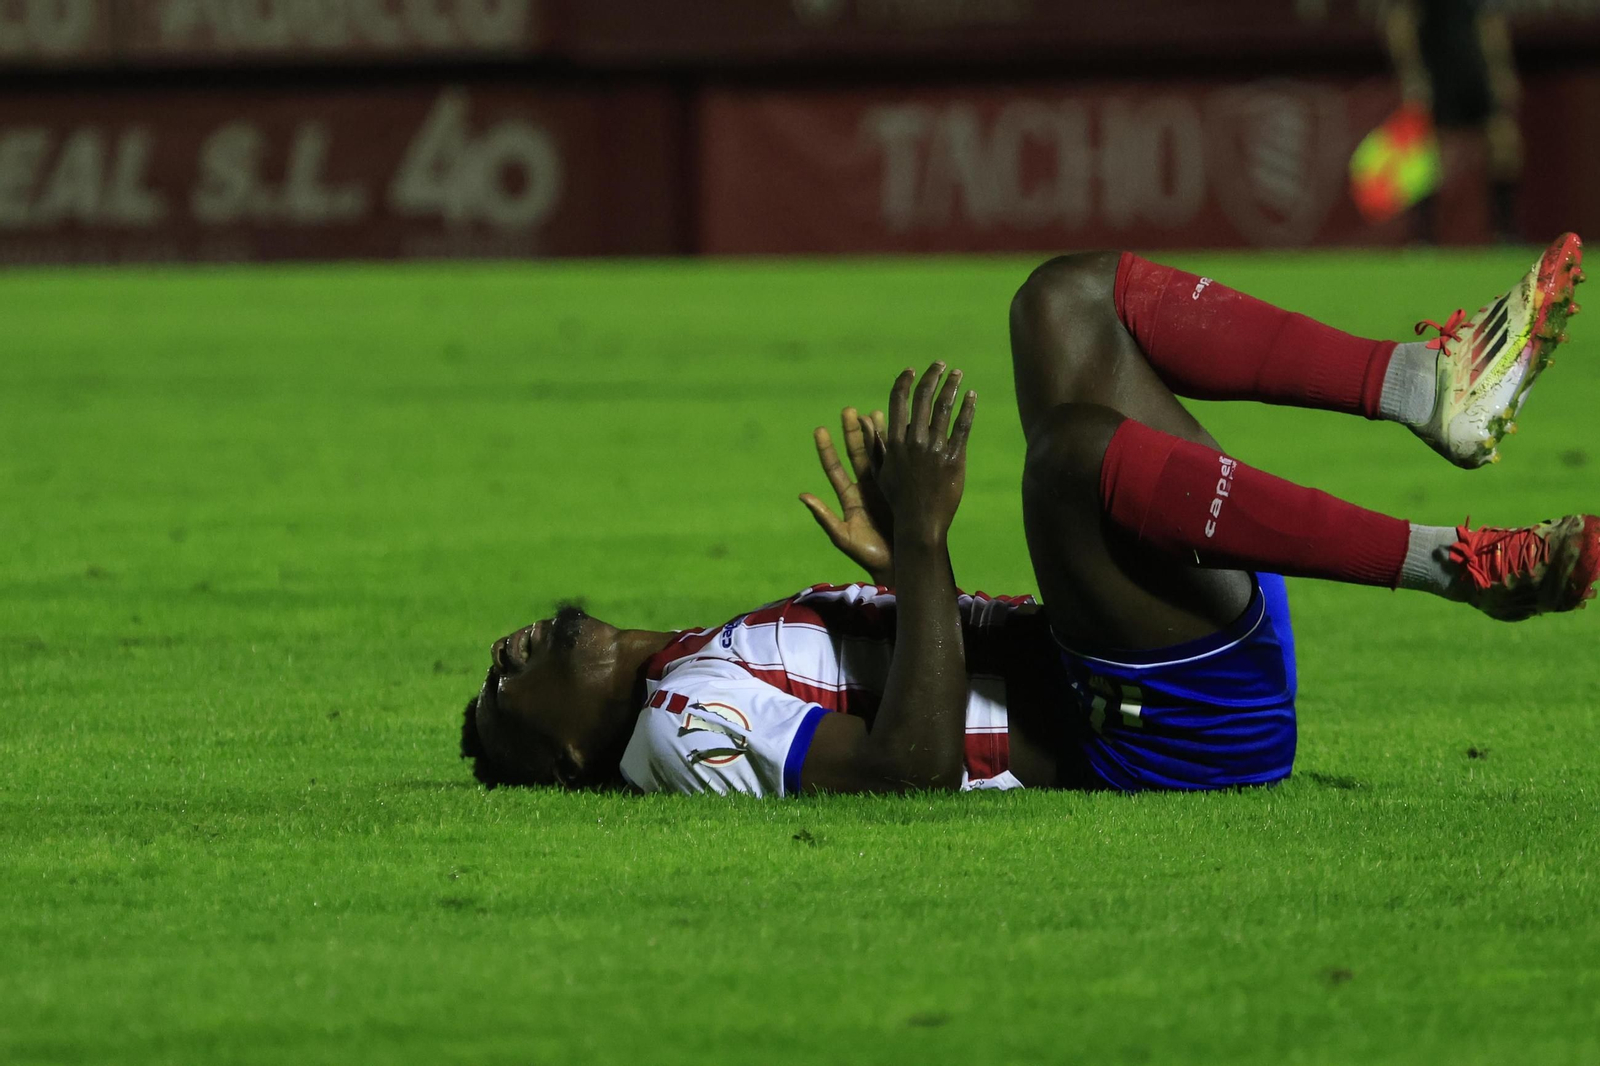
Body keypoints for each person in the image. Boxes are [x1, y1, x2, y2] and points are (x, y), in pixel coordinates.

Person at [459, 234, 1590, 796]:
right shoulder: (673, 727)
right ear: (563, 749)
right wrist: (921, 544)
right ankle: (1457, 566)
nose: (508, 650)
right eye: (499, 689)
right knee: (1062, 465)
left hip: (1155, 655)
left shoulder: (691, 657)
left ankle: (1423, 386)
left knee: (1064, 298)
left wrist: (911, 577)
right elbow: (902, 773)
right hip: (1152, 736)